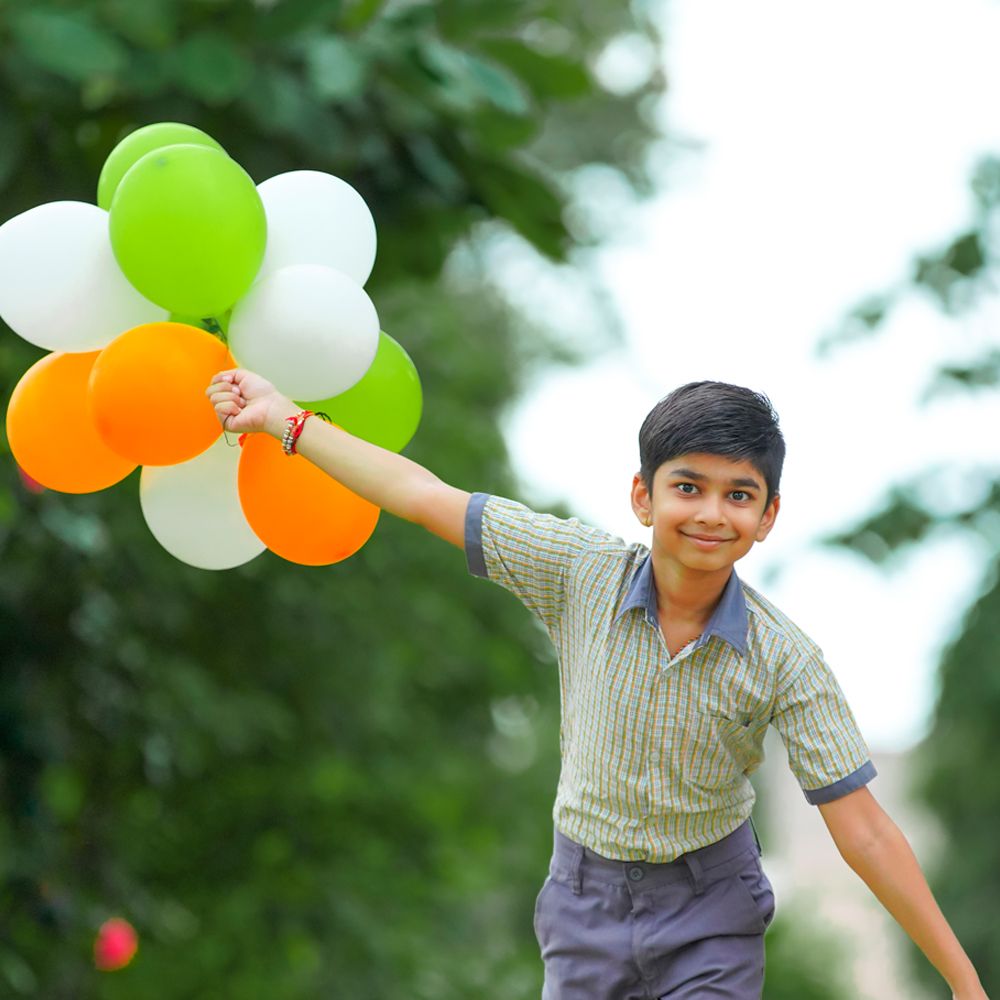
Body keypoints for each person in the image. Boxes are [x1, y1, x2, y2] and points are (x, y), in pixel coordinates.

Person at [206, 371, 988, 1000]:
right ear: (643, 496)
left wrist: (962, 981)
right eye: (689, 486)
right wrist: (288, 422)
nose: (712, 513)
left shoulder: (787, 660)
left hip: (710, 906)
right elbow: (421, 496)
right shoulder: (576, 568)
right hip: (584, 900)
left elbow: (865, 831)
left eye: (738, 495)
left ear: (768, 515)